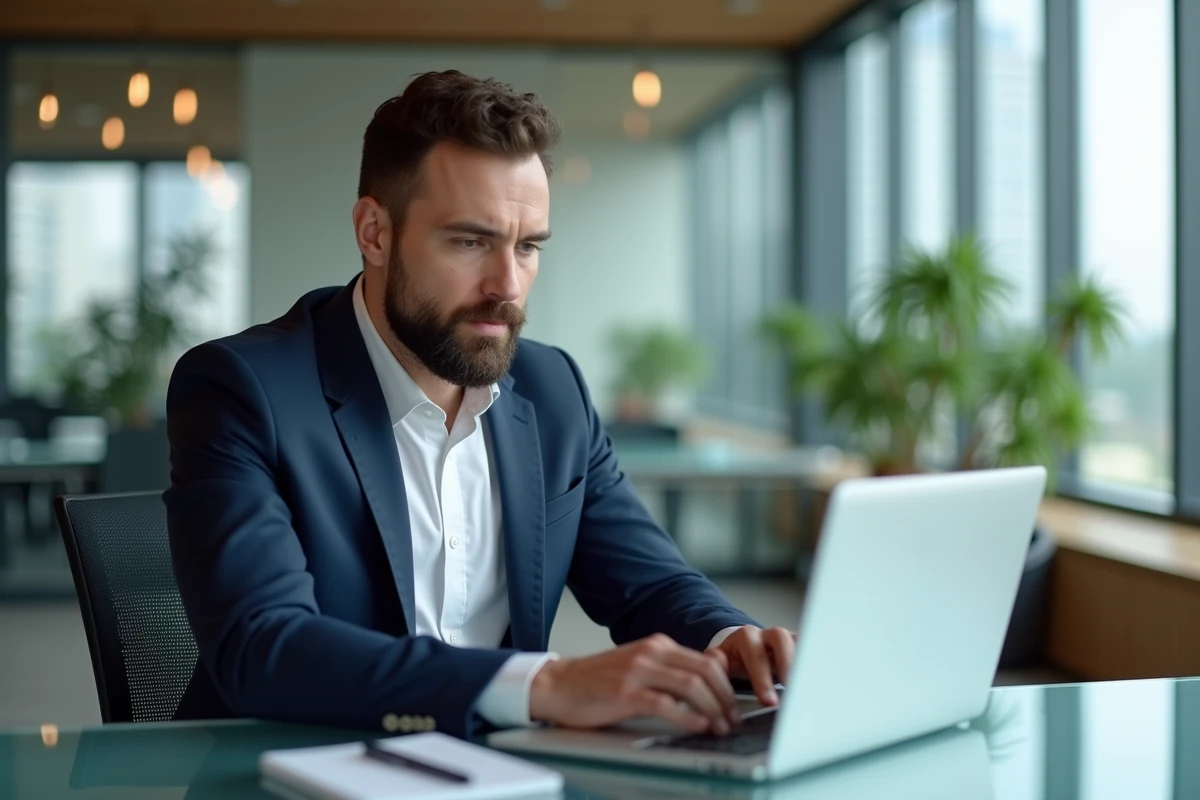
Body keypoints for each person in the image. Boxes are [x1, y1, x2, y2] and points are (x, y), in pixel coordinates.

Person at [165, 70, 795, 740]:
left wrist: (732, 639)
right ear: (374, 232)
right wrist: (544, 685)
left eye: (528, 247)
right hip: (287, 767)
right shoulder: (244, 389)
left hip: (494, 773)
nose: (507, 285)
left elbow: (652, 584)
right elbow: (264, 646)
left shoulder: (554, 390)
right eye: (471, 242)